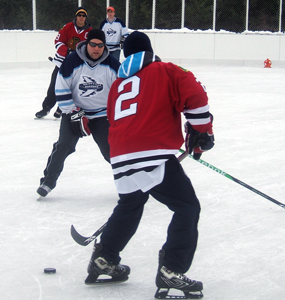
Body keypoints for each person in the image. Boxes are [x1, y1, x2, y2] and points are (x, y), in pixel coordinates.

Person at [84, 31, 214, 299]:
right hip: (152, 153)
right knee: (187, 206)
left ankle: (104, 259)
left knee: (131, 204)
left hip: (119, 155)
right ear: (149, 50)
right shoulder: (165, 69)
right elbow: (196, 96)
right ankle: (171, 270)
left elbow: (119, 117)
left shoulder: (119, 83)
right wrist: (201, 133)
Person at [36, 29, 120, 198]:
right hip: (73, 112)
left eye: (100, 45)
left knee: (111, 150)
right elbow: (61, 88)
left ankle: (130, 183)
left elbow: (121, 93)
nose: (96, 49)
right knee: (64, 145)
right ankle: (48, 181)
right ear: (86, 44)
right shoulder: (72, 61)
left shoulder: (113, 65)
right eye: (93, 44)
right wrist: (73, 112)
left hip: (101, 115)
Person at [35, 7, 92, 119]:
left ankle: (61, 109)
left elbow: (90, 47)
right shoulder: (68, 27)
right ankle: (46, 107)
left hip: (77, 65)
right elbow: (58, 41)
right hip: (62, 62)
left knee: (71, 87)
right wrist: (67, 51)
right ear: (76, 16)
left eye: (83, 15)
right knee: (54, 85)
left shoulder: (89, 31)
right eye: (79, 15)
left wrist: (79, 53)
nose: (81, 17)